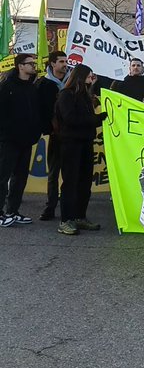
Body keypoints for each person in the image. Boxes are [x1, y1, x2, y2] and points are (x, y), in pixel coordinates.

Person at [53, 64, 107, 235]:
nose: (92, 78)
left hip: (85, 143)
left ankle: (79, 216)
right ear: (81, 76)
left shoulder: (85, 96)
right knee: (70, 182)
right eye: (90, 75)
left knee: (84, 182)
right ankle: (66, 220)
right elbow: (70, 118)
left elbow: (88, 119)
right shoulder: (66, 95)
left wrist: (102, 117)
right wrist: (94, 119)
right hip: (70, 144)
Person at [0, 54, 42, 227]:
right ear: (20, 66)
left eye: (34, 63)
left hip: (26, 140)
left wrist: (35, 132)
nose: (33, 66)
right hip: (9, 140)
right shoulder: (7, 86)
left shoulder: (32, 87)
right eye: (30, 63)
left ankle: (13, 210)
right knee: (3, 177)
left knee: (20, 177)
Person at [36, 50, 69, 221]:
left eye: (66, 61)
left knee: (69, 173)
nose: (65, 64)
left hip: (71, 134)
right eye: (61, 61)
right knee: (54, 173)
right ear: (52, 64)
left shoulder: (73, 82)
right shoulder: (44, 84)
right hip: (56, 134)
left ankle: (68, 207)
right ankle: (50, 206)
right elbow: (40, 108)